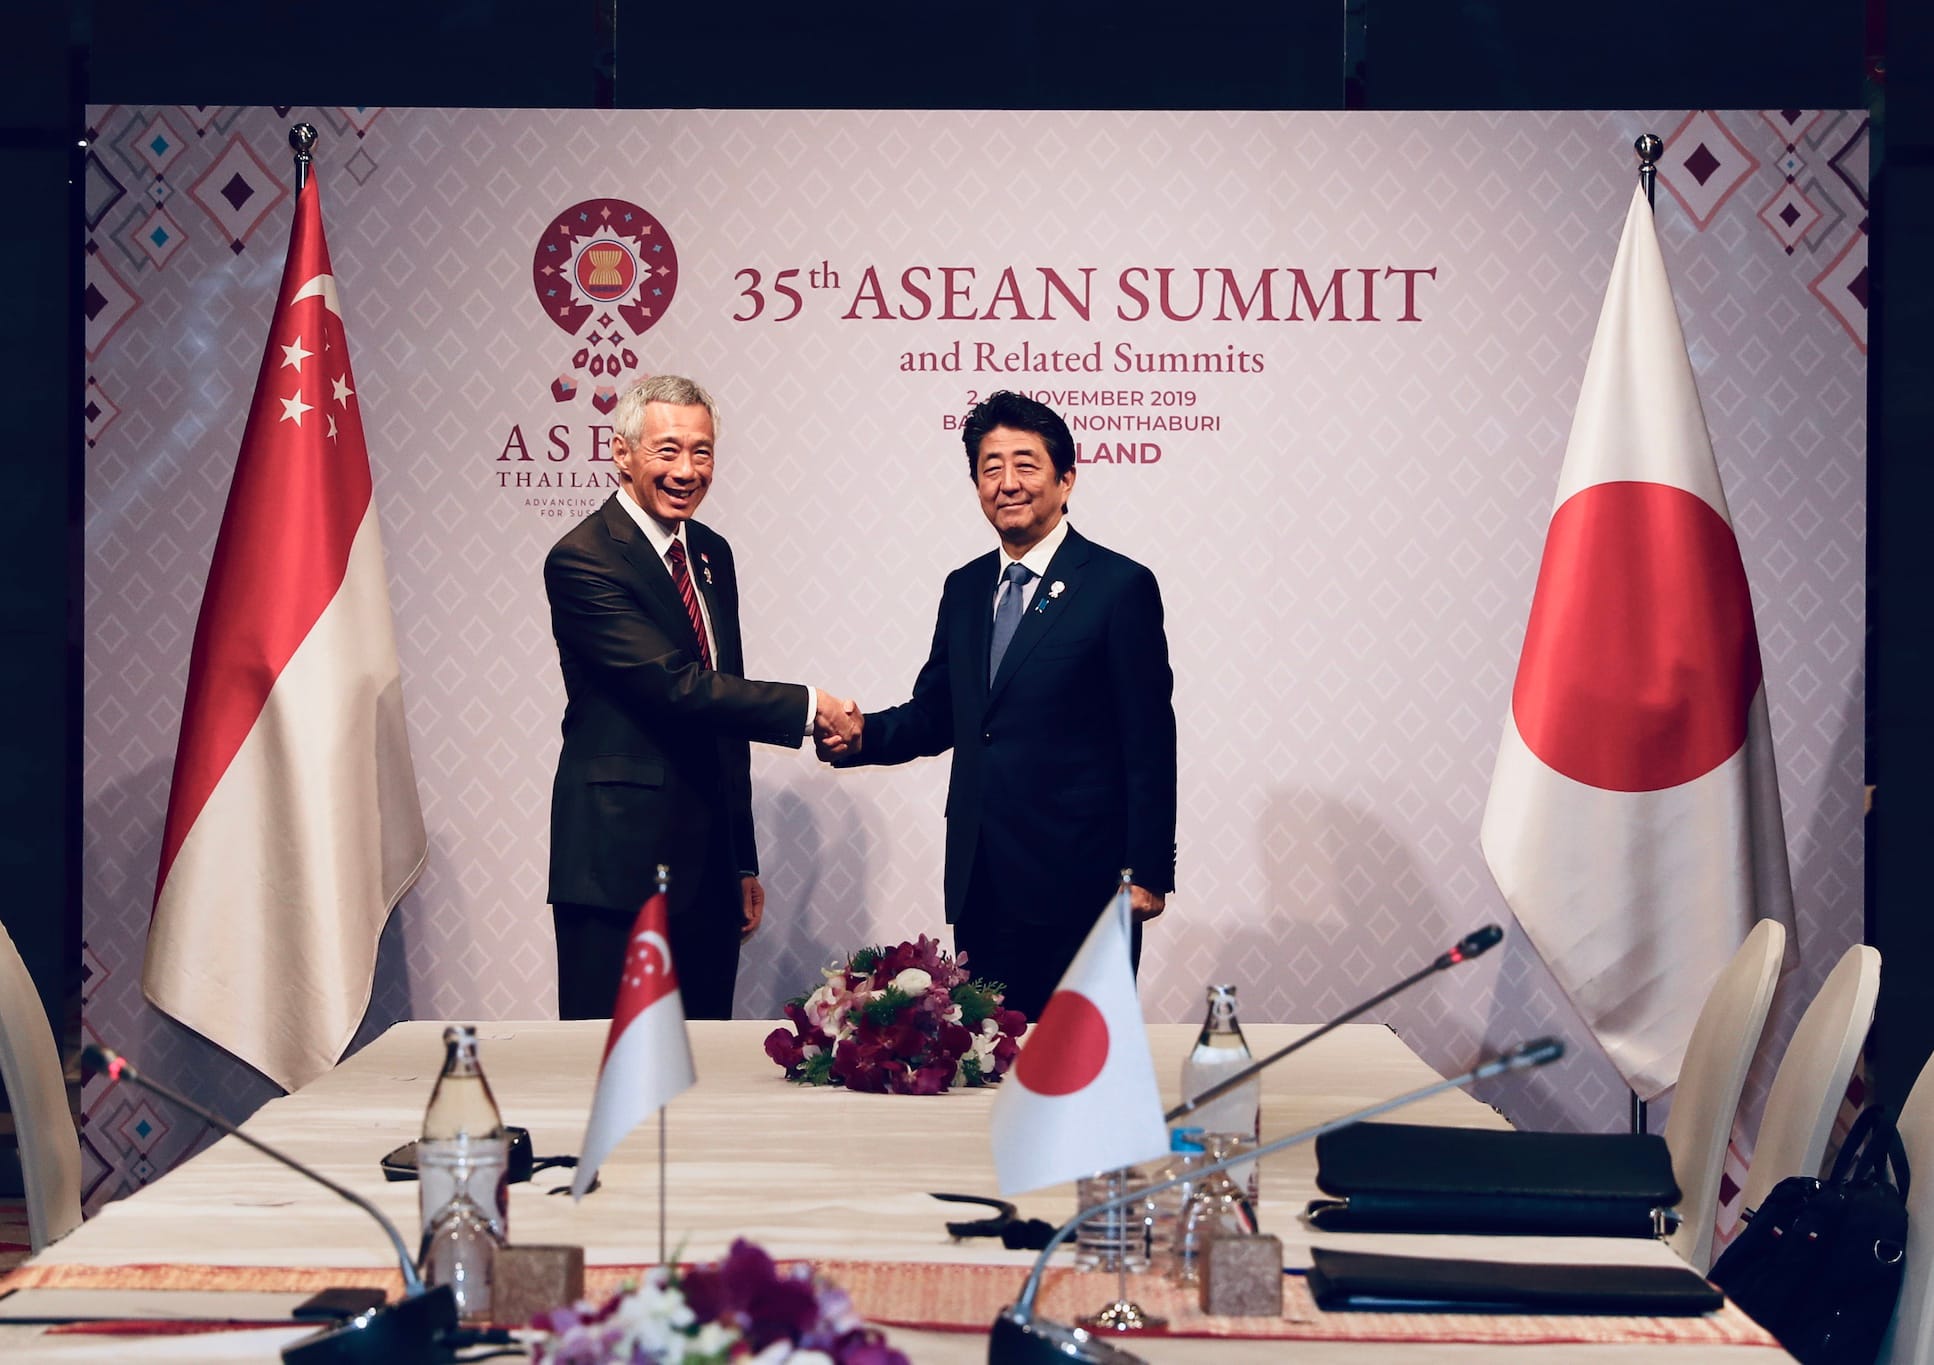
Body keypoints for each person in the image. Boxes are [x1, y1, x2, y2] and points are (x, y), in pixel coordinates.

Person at [822, 391, 1177, 1018]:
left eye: (1025, 465)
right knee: (988, 1070)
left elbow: (1148, 738)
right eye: (990, 468)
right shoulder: (964, 588)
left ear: (1066, 479)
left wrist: (1147, 868)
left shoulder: (1118, 586)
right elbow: (939, 713)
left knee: (1080, 1071)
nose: (1007, 483)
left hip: (1084, 886)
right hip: (982, 882)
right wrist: (862, 736)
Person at [545, 374, 858, 1020]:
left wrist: (741, 858)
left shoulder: (710, 553)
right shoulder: (583, 558)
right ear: (622, 453)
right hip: (617, 870)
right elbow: (677, 687)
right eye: (667, 451)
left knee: (702, 1072)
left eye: (702, 451)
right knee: (611, 1073)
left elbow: (723, 721)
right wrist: (810, 707)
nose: (687, 470)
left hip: (708, 874)